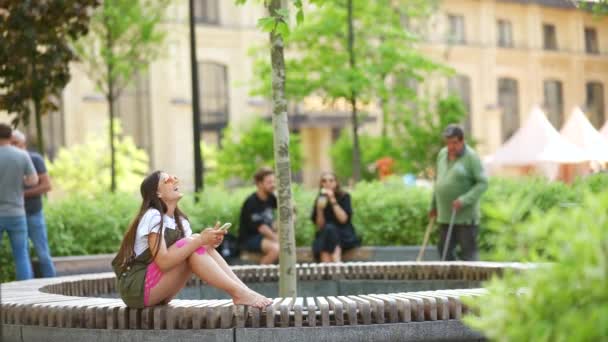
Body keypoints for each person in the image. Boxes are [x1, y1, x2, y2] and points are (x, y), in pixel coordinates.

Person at [111, 171, 272, 309]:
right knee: (194, 241)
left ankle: (244, 291)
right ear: (157, 193)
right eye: (167, 179)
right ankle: (240, 293)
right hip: (136, 289)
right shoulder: (153, 215)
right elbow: (164, 262)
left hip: (159, 290)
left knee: (199, 244)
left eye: (173, 177)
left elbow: (190, 253)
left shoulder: (180, 221)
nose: (174, 179)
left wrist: (209, 242)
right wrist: (199, 240)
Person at [429, 124, 488, 261]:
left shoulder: (471, 157)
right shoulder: (442, 154)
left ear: (462, 141)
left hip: (465, 218)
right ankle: (451, 282)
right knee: (444, 253)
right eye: (448, 143)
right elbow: (438, 182)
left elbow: (483, 183)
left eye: (454, 143)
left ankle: (471, 283)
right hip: (445, 216)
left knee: (469, 255)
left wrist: (464, 200)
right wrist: (433, 206)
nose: (451, 147)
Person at [11, 130, 56, 277]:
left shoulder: (34, 159)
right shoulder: (9, 160)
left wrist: (22, 194)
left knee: (43, 254)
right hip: (14, 214)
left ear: (23, 144)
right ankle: (27, 289)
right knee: (22, 255)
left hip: (33, 213)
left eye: (14, 143)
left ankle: (52, 285)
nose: (11, 146)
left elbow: (47, 186)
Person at [0, 123, 39, 280]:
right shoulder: (22, 155)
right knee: (21, 255)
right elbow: (33, 180)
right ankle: (25, 292)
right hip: (17, 213)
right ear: (11, 137)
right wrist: (20, 180)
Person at [311, 172, 360, 262]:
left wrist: (332, 200)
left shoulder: (344, 196)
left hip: (343, 234)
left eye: (331, 180)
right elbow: (320, 226)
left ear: (336, 183)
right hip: (326, 234)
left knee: (330, 230)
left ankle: (327, 268)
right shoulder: (319, 198)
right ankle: (336, 264)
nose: (327, 183)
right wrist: (319, 209)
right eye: (324, 181)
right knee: (328, 229)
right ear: (321, 184)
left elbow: (343, 220)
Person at [238, 167, 279, 265]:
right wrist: (277, 239)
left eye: (274, 182)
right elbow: (262, 228)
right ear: (259, 184)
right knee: (276, 249)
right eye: (269, 182)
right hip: (250, 238)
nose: (273, 185)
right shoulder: (251, 202)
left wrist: (279, 195)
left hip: (265, 236)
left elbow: (290, 210)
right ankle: (260, 275)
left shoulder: (271, 197)